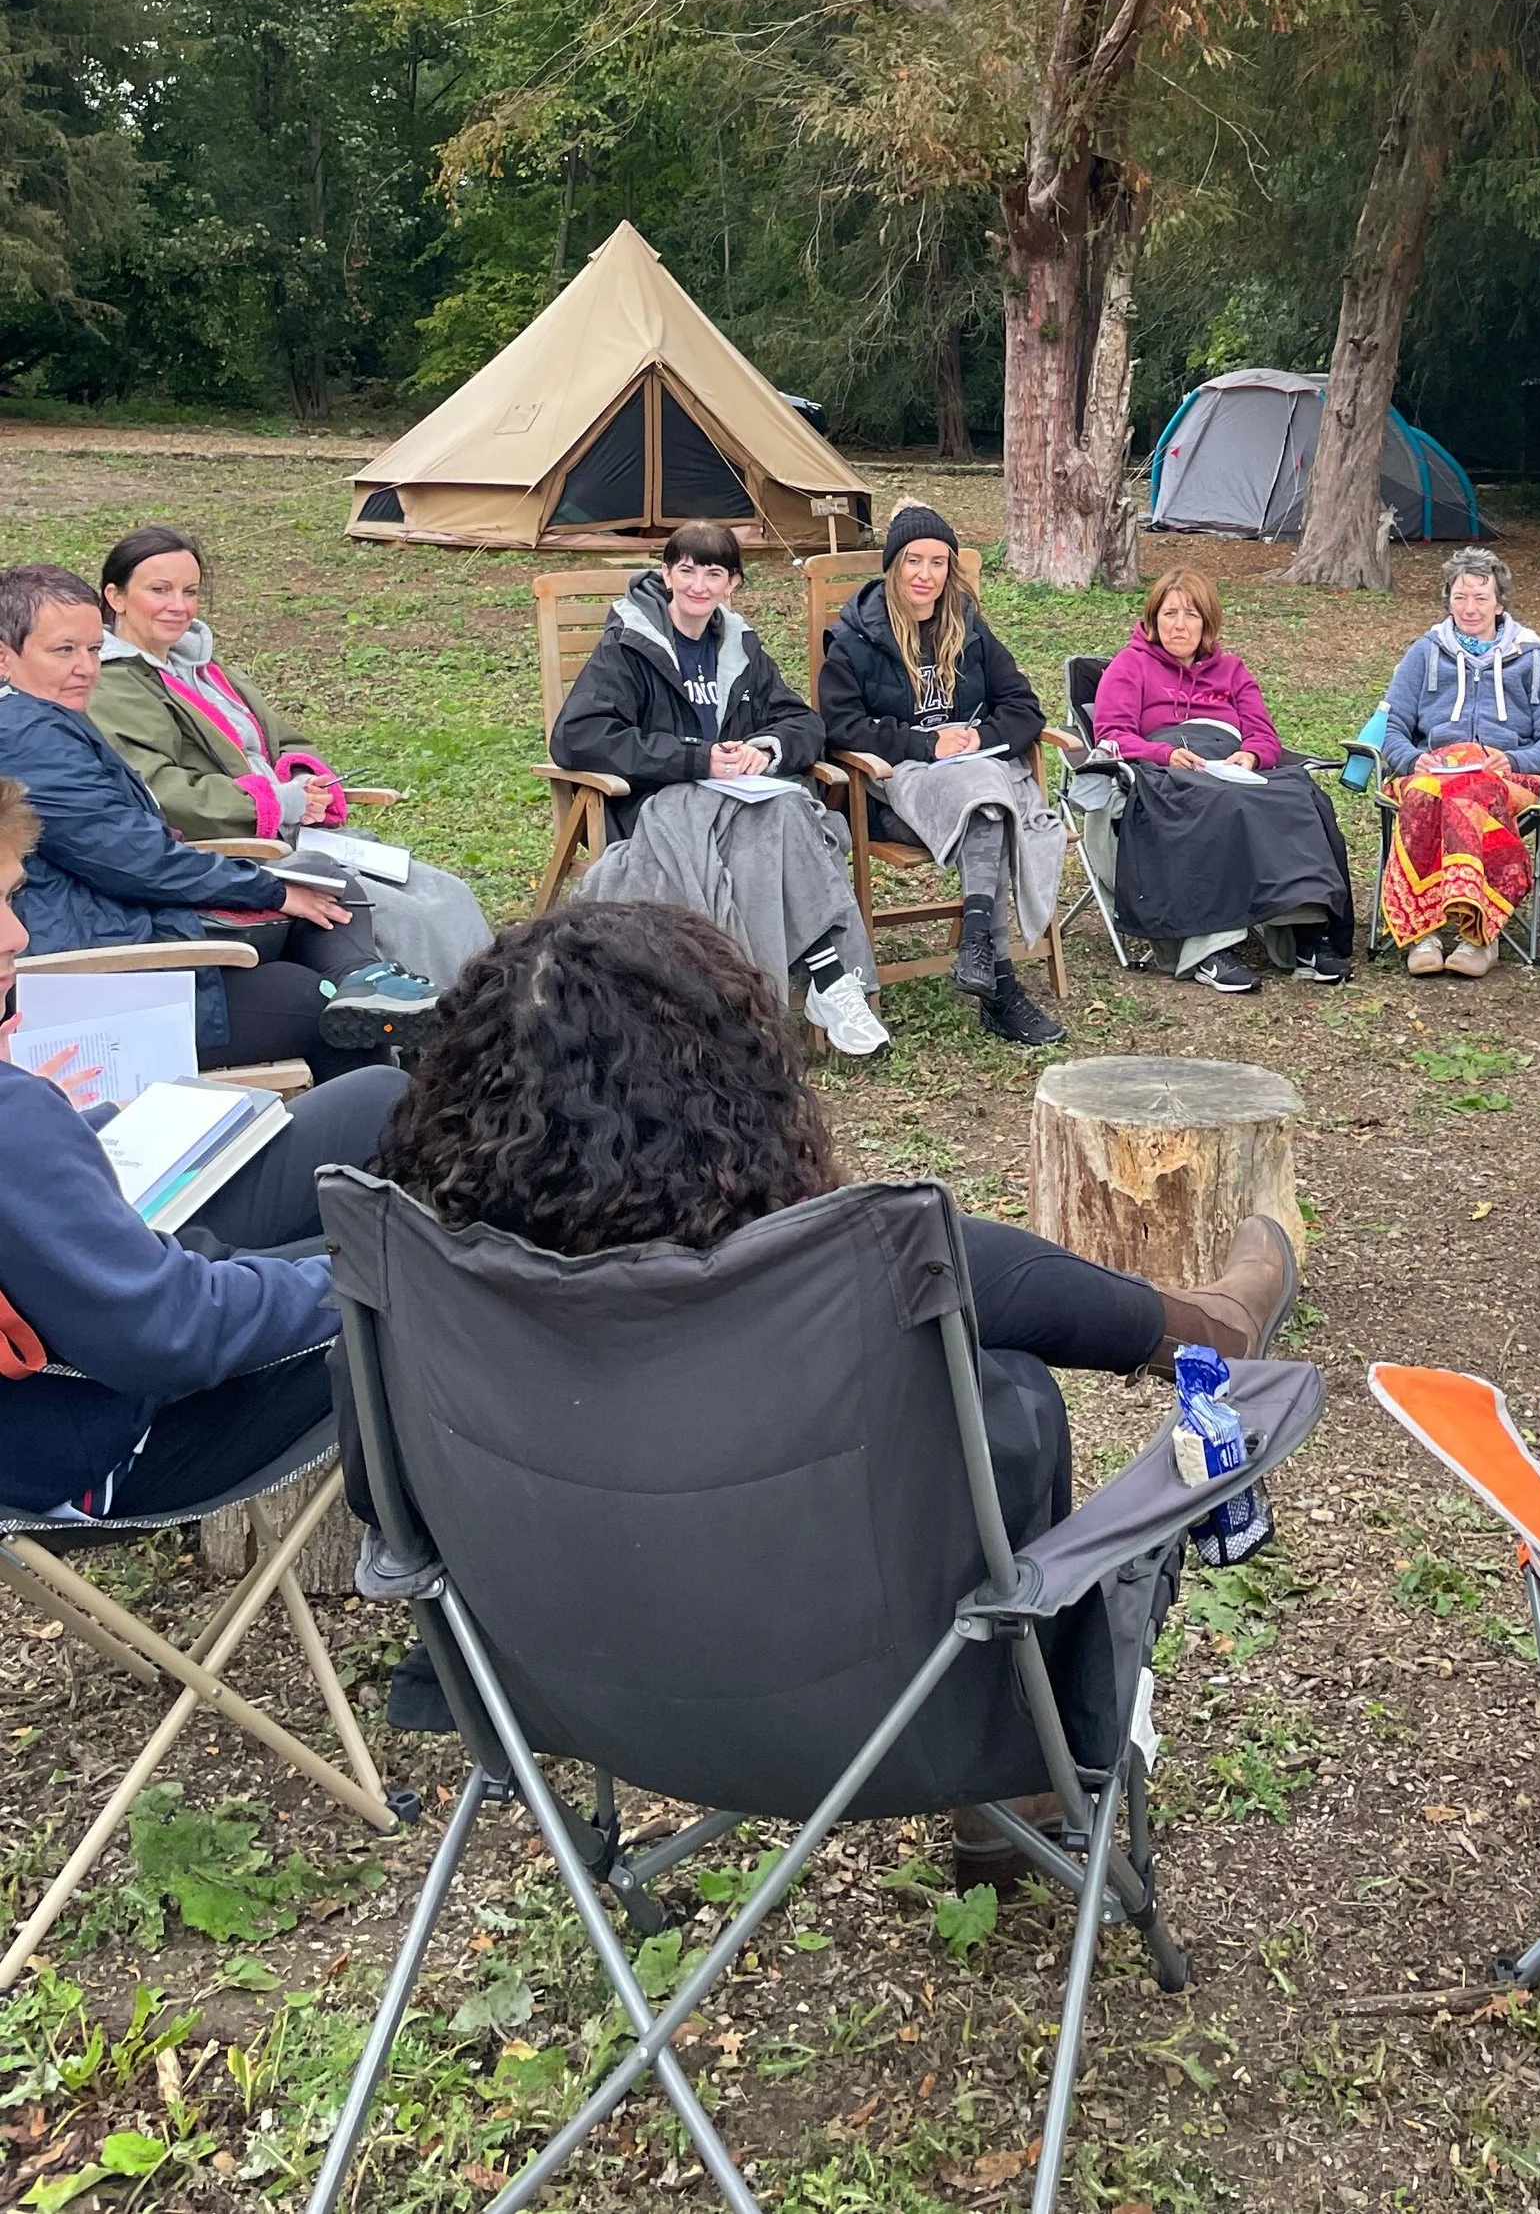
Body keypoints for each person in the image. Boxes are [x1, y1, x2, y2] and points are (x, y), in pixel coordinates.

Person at [368, 899, 1296, 1874]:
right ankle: (1198, 1333)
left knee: (951, 1279)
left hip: (560, 1698)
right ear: (735, 1095)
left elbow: (388, 1520)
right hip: (893, 1718)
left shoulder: (409, 1298)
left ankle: (1194, 1324)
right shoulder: (838, 1282)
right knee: (1000, 1368)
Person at [0, 774, 408, 1522]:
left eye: (10, 898)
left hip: (96, 1318)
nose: (17, 936)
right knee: (432, 1274)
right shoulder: (12, 1121)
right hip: (97, 1441)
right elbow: (170, 1332)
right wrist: (409, 1272)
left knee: (376, 1105)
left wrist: (74, 1130)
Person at [0, 565, 430, 1076]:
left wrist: (267, 885)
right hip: (100, 973)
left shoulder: (42, 719)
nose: (86, 667)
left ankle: (367, 988)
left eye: (94, 649)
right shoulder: (26, 737)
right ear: (5, 656)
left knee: (324, 885)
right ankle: (377, 1053)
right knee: (317, 1004)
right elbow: (132, 859)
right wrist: (270, 890)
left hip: (123, 929)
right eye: (63, 650)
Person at [89, 526, 491, 993]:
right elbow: (162, 792)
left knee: (449, 894)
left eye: (190, 591)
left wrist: (304, 779)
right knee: (408, 916)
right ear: (115, 597)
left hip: (297, 835)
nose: (178, 605)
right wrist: (280, 802)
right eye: (159, 590)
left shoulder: (203, 667)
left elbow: (283, 739)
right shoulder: (114, 684)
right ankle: (439, 1022)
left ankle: (489, 1015)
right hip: (241, 851)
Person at [551, 521, 888, 1059]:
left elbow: (804, 723)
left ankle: (765, 1004)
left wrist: (766, 750)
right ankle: (825, 979)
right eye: (686, 571)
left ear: (732, 584)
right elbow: (577, 736)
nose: (698, 586)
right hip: (657, 808)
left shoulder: (738, 648)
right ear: (666, 575)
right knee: (784, 811)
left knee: (779, 809)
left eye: (713, 574)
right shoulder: (628, 647)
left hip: (738, 805)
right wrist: (695, 758)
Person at [816, 504, 1068, 1049]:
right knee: (988, 801)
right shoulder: (856, 637)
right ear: (893, 565)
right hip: (895, 793)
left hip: (972, 779)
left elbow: (1023, 706)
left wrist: (978, 736)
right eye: (914, 560)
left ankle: (979, 949)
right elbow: (839, 726)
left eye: (938, 562)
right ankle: (1000, 985)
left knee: (986, 804)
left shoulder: (967, 627)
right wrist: (926, 744)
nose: (925, 575)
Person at [1086, 566, 1353, 992]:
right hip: (1168, 767)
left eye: (1191, 614)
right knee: (1215, 803)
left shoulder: (1230, 670)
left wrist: (1252, 755)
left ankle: (1304, 932)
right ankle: (1209, 947)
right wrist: (1165, 754)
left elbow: (1263, 733)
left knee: (1298, 796)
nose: (1179, 625)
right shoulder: (1130, 665)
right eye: (1169, 613)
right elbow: (1112, 736)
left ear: (1207, 623)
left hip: (1228, 763)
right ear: (1153, 620)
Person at [1375, 547, 1540, 979]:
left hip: (1508, 776)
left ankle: (1479, 934)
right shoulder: (1424, 654)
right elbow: (1390, 726)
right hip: (1432, 773)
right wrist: (1411, 758)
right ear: (1448, 600)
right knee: (1431, 792)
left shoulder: (1531, 658)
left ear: (1499, 603)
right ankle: (1426, 933)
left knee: (1472, 794)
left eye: (1481, 598)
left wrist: (1514, 758)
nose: (1470, 608)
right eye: (1460, 597)